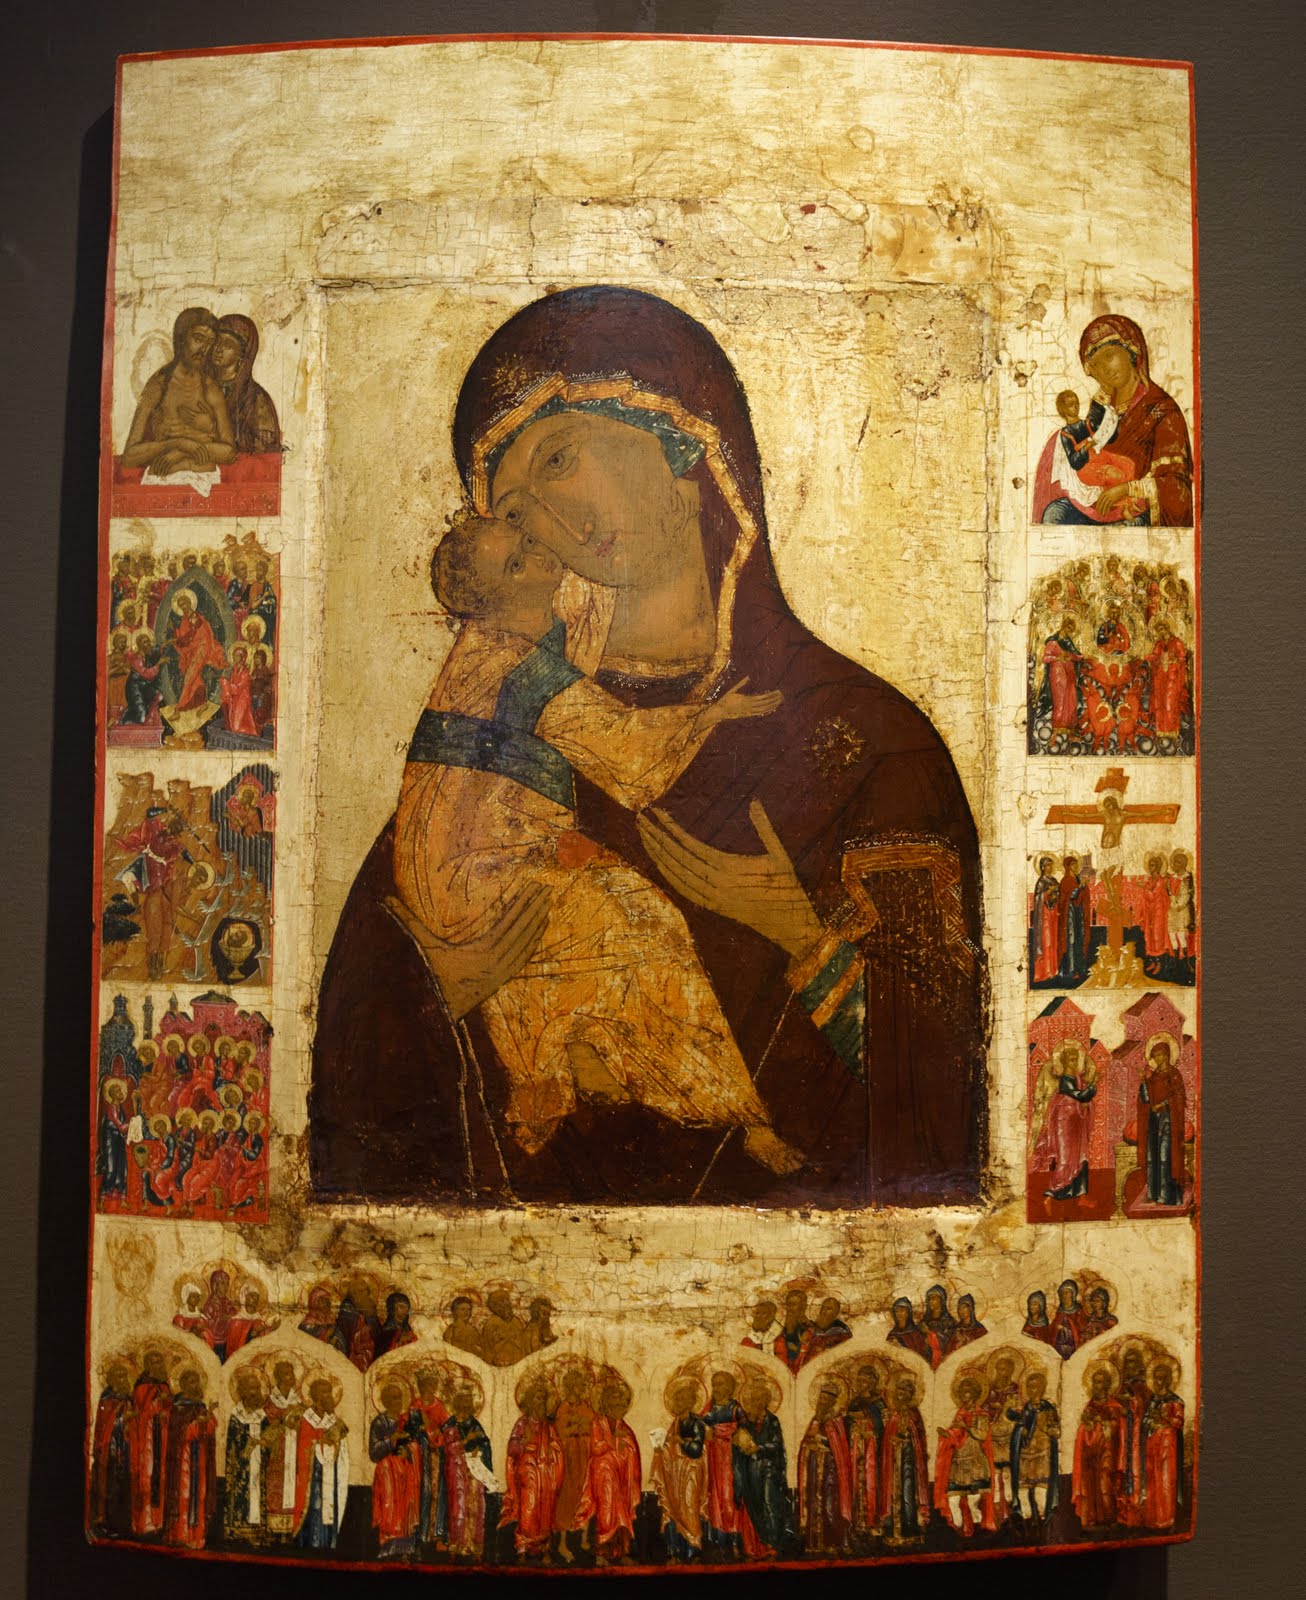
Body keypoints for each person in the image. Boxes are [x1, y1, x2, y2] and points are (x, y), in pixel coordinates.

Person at [312, 285, 987, 1212]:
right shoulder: (487, 779)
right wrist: (441, 991)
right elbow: (358, 1124)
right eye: (511, 513)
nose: (543, 519)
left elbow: (952, 1096)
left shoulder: (872, 743)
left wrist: (801, 934)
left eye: (559, 458)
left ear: (685, 444)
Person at [391, 510, 798, 1173]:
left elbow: (592, 597)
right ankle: (734, 1115)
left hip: (471, 862)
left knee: (591, 945)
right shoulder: (518, 667)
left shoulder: (518, 631)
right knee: (645, 923)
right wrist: (711, 715)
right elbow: (624, 750)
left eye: (525, 538)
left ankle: (566, 1080)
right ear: (494, 602)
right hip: (479, 875)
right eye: (517, 562)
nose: (537, 551)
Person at [1037, 315, 1193, 526]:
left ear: (1132, 351)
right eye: (1096, 364)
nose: (1105, 369)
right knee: (1055, 514)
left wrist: (1126, 489)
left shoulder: (1162, 410)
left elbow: (1177, 486)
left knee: (1127, 528)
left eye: (1109, 356)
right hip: (1095, 503)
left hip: (1137, 509)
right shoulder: (1100, 412)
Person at [120, 307, 236, 480]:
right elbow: (129, 457)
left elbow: (229, 452)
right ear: (181, 338)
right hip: (161, 481)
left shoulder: (210, 389)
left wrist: (181, 452)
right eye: (198, 339)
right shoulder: (160, 384)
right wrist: (178, 443)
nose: (204, 349)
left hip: (205, 479)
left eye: (210, 343)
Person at [1032, 389, 1133, 522]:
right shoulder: (1066, 434)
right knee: (1114, 474)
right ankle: (1121, 507)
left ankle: (1129, 502)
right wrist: (1087, 446)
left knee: (1127, 464)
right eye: (1071, 404)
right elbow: (1075, 462)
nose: (1075, 406)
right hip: (1085, 468)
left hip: (1099, 456)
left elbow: (1102, 426)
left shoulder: (1085, 424)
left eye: (1076, 403)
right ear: (1063, 410)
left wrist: (1112, 415)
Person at [575, 1379, 642, 1565]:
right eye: (614, 1399)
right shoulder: (598, 1423)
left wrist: (624, 1449)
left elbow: (631, 1449)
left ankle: (622, 1552)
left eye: (621, 1400)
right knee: (606, 1512)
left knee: (622, 1514)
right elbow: (596, 1448)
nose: (618, 1403)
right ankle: (602, 1553)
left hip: (621, 1477)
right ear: (606, 1402)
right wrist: (613, 1439)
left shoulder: (623, 1426)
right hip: (603, 1475)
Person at [501, 1380, 564, 1561]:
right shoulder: (523, 1423)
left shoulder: (548, 1426)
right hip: (528, 1472)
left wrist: (553, 1450)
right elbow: (512, 1448)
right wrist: (524, 1443)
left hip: (546, 1474)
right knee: (529, 1508)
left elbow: (557, 1447)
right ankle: (523, 1547)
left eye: (543, 1400)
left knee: (545, 1511)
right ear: (529, 1401)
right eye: (537, 1399)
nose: (540, 1403)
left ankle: (544, 1549)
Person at [650, 1378, 707, 1562]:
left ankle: (693, 1551)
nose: (677, 1403)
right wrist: (661, 1449)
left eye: (681, 1399)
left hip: (691, 1472)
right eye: (676, 1399)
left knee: (689, 1509)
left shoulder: (697, 1423)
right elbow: (670, 1449)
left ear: (690, 1402)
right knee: (674, 1511)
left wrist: (681, 1441)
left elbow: (696, 1450)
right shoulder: (674, 1424)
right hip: (674, 1474)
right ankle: (674, 1552)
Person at [209, 313, 281, 455]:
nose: (218, 349)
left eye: (227, 345)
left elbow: (266, 448)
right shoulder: (200, 387)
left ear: (242, 353)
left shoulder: (255, 397)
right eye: (216, 341)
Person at [732, 1380, 789, 1557]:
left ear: (765, 1401)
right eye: (752, 1399)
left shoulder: (772, 1421)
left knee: (769, 1504)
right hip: (751, 1470)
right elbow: (738, 1445)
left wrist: (760, 1448)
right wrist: (739, 1444)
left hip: (769, 1469)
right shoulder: (745, 1422)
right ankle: (759, 1545)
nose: (754, 1403)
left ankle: (773, 1544)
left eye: (758, 1399)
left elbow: (776, 1445)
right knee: (754, 1505)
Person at [935, 1375, 997, 1536]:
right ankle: (958, 1532)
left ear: (975, 1394)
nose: (964, 1395)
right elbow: (955, 1434)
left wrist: (966, 1427)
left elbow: (981, 1435)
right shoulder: (960, 1413)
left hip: (975, 1463)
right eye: (961, 1392)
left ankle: (978, 1533)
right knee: (953, 1500)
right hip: (958, 1463)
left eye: (967, 1392)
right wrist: (946, 1433)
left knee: (972, 1503)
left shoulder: (981, 1414)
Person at [797, 1378, 854, 1554]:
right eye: (820, 1398)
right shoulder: (816, 1419)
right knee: (814, 1503)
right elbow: (806, 1442)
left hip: (831, 1468)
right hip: (815, 1466)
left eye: (825, 1399)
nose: (821, 1402)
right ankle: (815, 1544)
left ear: (831, 1401)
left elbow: (838, 1445)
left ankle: (835, 1543)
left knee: (831, 1504)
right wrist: (808, 1445)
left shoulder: (836, 1420)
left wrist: (820, 1441)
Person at [163, 1368, 216, 1549]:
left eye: (197, 1381)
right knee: (183, 1495)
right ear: (183, 1384)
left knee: (199, 1494)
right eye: (192, 1381)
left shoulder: (200, 1406)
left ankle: (196, 1536)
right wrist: (197, 1425)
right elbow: (178, 1435)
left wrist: (208, 1420)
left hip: (199, 1457)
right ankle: (180, 1535)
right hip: (183, 1459)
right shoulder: (177, 1407)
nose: (195, 1385)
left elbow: (208, 1433)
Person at [1132, 1036, 1188, 1206]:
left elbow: (1179, 1097)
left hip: (1169, 1120)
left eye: (1160, 1054)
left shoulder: (1174, 1074)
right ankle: (1154, 1193)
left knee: (1165, 1157)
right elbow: (1145, 1099)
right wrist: (1143, 1081)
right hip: (1154, 1121)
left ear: (1167, 1055)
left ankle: (1166, 1196)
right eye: (1155, 1055)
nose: (1157, 1058)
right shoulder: (1153, 1078)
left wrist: (1163, 1105)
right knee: (1152, 1156)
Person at [370, 1378, 422, 1559]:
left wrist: (409, 1452)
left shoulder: (406, 1420)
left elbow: (416, 1444)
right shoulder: (379, 1422)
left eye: (399, 1397)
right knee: (390, 1510)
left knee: (406, 1510)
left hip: (405, 1472)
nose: (397, 1402)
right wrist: (391, 1440)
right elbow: (373, 1453)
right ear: (385, 1401)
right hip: (387, 1472)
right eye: (393, 1398)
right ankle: (388, 1549)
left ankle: (406, 1551)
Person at [298, 1377, 350, 1550]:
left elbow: (342, 1442)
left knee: (329, 1505)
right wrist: (322, 1439)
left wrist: (335, 1439)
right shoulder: (307, 1418)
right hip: (312, 1475)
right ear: (316, 1397)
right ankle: (311, 1543)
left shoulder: (333, 1419)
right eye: (325, 1392)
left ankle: (328, 1542)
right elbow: (304, 1444)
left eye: (330, 1392)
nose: (330, 1396)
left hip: (330, 1472)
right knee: (315, 1506)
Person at [443, 1385, 494, 1560]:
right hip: (456, 1469)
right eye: (463, 1402)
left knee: (476, 1506)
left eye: (468, 1402)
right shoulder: (450, 1424)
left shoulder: (474, 1423)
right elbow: (449, 1448)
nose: (466, 1406)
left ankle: (474, 1547)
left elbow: (485, 1443)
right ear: (457, 1404)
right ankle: (456, 1545)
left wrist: (479, 1449)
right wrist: (466, 1441)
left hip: (474, 1471)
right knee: (458, 1507)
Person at [879, 1375, 929, 1546]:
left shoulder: (914, 1414)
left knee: (908, 1491)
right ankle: (892, 1527)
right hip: (892, 1460)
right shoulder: (892, 1413)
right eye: (899, 1390)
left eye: (906, 1391)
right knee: (892, 1491)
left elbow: (918, 1437)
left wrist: (905, 1439)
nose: (901, 1394)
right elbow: (887, 1436)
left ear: (911, 1394)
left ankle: (909, 1527)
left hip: (909, 1460)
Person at [552, 1368, 596, 1562]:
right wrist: (578, 1427)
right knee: (567, 1497)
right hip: (569, 1459)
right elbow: (561, 1432)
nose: (581, 1388)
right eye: (578, 1385)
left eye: (582, 1385)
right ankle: (562, 1543)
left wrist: (579, 1426)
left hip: (584, 1457)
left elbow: (593, 1426)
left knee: (585, 1494)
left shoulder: (586, 1406)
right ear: (570, 1386)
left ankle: (584, 1538)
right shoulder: (563, 1408)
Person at [1073, 1365, 1123, 1529]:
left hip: (1107, 1450)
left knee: (1105, 1482)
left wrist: (1100, 1421)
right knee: (1090, 1484)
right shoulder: (1090, 1405)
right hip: (1090, 1451)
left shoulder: (1113, 1405)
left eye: (1100, 1382)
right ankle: (1093, 1518)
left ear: (1107, 1384)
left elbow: (1116, 1427)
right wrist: (1087, 1422)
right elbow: (1084, 1426)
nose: (1096, 1385)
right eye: (1095, 1382)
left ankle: (1109, 1518)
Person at [128, 1349, 172, 1537]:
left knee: (161, 1478)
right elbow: (139, 1414)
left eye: (159, 1361)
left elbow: (170, 1411)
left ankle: (159, 1521)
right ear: (147, 1365)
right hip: (146, 1439)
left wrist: (166, 1413)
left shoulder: (165, 1386)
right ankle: (144, 1523)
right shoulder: (141, 1387)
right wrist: (155, 1406)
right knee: (146, 1478)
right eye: (153, 1362)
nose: (157, 1365)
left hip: (162, 1437)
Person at [700, 1370, 744, 1557]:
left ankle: (734, 1540)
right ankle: (719, 1542)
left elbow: (744, 1431)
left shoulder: (736, 1409)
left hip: (732, 1461)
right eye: (714, 1384)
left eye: (720, 1384)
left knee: (730, 1496)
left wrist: (725, 1432)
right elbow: (699, 1427)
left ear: (730, 1387)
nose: (716, 1388)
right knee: (716, 1498)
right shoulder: (709, 1410)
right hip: (714, 1460)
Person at [1007, 1369, 1060, 1523]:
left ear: (1042, 1388)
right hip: (1025, 1454)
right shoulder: (1025, 1409)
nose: (1032, 1390)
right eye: (1029, 1387)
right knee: (1024, 1492)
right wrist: (1020, 1430)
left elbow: (1055, 1430)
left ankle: (1043, 1519)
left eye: (1035, 1387)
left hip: (1043, 1453)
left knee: (1040, 1492)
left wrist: (1052, 1430)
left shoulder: (1048, 1408)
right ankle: (1027, 1520)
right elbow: (1019, 1426)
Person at [224, 1367, 270, 1543]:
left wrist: (265, 1445)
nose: (255, 1392)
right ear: (242, 1391)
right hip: (241, 1468)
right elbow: (231, 1446)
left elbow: (268, 1441)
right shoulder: (236, 1416)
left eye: (257, 1388)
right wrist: (245, 1449)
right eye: (251, 1388)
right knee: (242, 1497)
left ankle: (257, 1530)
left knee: (257, 1495)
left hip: (258, 1465)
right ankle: (238, 1530)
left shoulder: (262, 1416)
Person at [91, 1360, 135, 1537]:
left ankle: (123, 1525)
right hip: (110, 1449)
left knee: (124, 1486)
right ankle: (108, 1524)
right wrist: (124, 1419)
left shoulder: (128, 1398)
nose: (123, 1379)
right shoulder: (107, 1398)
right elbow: (106, 1426)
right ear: (112, 1379)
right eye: (119, 1376)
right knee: (110, 1486)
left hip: (126, 1449)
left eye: (124, 1376)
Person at [843, 1365, 886, 1546]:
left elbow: (882, 1426)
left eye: (865, 1380)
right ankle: (856, 1524)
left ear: (873, 1382)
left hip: (872, 1450)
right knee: (855, 1483)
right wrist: (853, 1425)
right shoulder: (854, 1402)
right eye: (859, 1380)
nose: (861, 1384)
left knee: (871, 1484)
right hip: (856, 1449)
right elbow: (846, 1423)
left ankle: (872, 1523)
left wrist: (870, 1429)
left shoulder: (879, 1402)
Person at [408, 1369, 449, 1552]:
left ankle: (436, 1534)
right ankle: (419, 1534)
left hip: (435, 1456)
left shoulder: (439, 1406)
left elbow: (446, 1429)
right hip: (418, 1455)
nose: (428, 1389)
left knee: (436, 1492)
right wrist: (422, 1430)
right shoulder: (414, 1406)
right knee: (421, 1491)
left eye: (431, 1385)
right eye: (424, 1385)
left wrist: (433, 1432)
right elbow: (410, 1429)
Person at [1139, 1363, 1184, 1530]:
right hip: (1153, 1443)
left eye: (1162, 1379)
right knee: (1152, 1480)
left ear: (1168, 1380)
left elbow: (1179, 1422)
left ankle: (1166, 1519)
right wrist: (1150, 1421)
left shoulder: (1175, 1401)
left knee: (1165, 1480)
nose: (1159, 1382)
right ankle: (1153, 1519)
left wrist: (1164, 1418)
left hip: (1167, 1444)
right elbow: (1145, 1420)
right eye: (1156, 1379)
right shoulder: (1154, 1399)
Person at [1034, 619, 1084, 740]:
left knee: (1071, 702)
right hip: (1057, 675)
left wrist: (1071, 656)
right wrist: (1057, 658)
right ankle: (1055, 733)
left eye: (1071, 630)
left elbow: (1079, 656)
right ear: (1063, 627)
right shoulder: (1053, 642)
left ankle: (1070, 732)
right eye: (1068, 629)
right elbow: (1045, 658)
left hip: (1070, 674)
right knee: (1059, 702)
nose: (1069, 632)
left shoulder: (1068, 642)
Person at [1146, 620, 1189, 741]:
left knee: (1170, 702)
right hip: (1160, 676)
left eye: (1162, 629)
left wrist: (1172, 661)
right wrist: (1148, 657)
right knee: (1160, 703)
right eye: (1158, 630)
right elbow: (1155, 655)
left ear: (1167, 629)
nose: (1161, 632)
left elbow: (1182, 657)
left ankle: (1172, 731)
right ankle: (1161, 732)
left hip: (1172, 676)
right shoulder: (1159, 644)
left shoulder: (1177, 642)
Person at [1057, 855, 1090, 984]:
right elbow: (1071, 896)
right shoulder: (1065, 880)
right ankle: (1071, 970)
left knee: (1079, 940)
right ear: (1068, 867)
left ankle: (1079, 968)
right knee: (1071, 940)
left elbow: (1082, 895)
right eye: (1073, 864)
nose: (1076, 866)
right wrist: (1079, 887)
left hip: (1077, 914)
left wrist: (1083, 886)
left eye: (1076, 864)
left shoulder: (1077, 879)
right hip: (1069, 915)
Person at [1030, 855, 1062, 983]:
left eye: (1051, 865)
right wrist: (1048, 893)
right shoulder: (1041, 882)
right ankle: (1045, 972)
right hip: (1044, 916)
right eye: (1048, 865)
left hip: (1053, 913)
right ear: (1043, 867)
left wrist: (1055, 895)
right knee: (1046, 942)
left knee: (1053, 942)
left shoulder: (1054, 880)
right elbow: (1038, 899)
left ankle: (1053, 970)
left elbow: (1058, 896)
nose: (1050, 867)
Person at [479, 1290, 529, 1367]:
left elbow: (523, 1345)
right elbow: (488, 1350)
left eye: (507, 1300)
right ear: (494, 1307)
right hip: (500, 1365)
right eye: (502, 1301)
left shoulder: (516, 1321)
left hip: (518, 1364)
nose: (506, 1303)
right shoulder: (491, 1324)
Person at [773, 1288, 813, 1373]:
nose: (790, 1308)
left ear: (803, 1307)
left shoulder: (809, 1329)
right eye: (789, 1305)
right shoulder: (782, 1330)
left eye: (794, 1304)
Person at [804, 1297, 853, 1365]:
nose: (823, 1311)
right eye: (823, 1308)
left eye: (828, 1309)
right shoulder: (813, 1327)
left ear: (835, 1312)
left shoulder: (842, 1332)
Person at [919, 1285, 958, 1369]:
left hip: (944, 1365)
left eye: (934, 1298)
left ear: (942, 1300)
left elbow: (949, 1343)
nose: (931, 1302)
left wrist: (929, 1333)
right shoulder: (923, 1322)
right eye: (929, 1299)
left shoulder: (950, 1322)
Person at [374, 1291, 419, 1360]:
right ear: (393, 1309)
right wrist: (400, 1341)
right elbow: (384, 1353)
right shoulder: (387, 1331)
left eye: (407, 1307)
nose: (405, 1310)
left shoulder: (407, 1327)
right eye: (401, 1307)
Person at [1049, 1279, 1085, 1361]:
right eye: (1062, 1293)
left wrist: (1064, 1329)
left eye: (1066, 1293)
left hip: (1073, 1348)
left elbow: (1081, 1331)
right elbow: (1051, 1331)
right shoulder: (1059, 1312)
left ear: (1073, 1294)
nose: (1064, 1296)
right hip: (1058, 1348)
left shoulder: (1079, 1311)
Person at [886, 1297, 930, 1363]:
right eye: (897, 1311)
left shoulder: (916, 1332)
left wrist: (900, 1346)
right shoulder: (893, 1333)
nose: (899, 1313)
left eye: (902, 1311)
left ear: (908, 1313)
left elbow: (919, 1353)